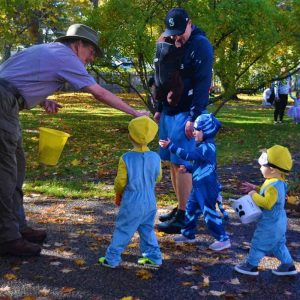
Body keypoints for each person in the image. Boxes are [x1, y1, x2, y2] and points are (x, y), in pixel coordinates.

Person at [0, 24, 148, 257]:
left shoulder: (50, 51)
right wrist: (135, 113)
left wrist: (41, 100)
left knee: (16, 169)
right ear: (78, 44)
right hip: (3, 105)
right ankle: (7, 238)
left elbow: (15, 78)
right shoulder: (65, 56)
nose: (90, 59)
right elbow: (99, 92)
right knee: (5, 174)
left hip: (8, 104)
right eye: (91, 52)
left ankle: (17, 227)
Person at [154, 8, 214, 233]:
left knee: (182, 164)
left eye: (180, 31)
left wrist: (194, 117)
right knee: (171, 160)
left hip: (186, 112)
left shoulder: (200, 45)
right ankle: (180, 208)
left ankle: (186, 215)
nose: (177, 36)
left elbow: (202, 83)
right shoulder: (171, 41)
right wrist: (160, 107)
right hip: (169, 110)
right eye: (173, 32)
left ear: (190, 23)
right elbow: (164, 76)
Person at [159, 114, 231, 251]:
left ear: (206, 131)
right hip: (199, 188)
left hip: (207, 189)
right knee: (190, 209)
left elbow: (187, 155)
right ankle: (188, 234)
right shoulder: (203, 146)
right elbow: (201, 166)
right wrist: (188, 168)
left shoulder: (207, 148)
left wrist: (171, 146)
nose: (194, 132)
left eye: (197, 130)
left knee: (209, 214)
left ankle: (223, 239)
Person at [98, 116, 162, 268]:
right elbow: (158, 177)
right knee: (147, 229)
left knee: (123, 229)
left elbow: (121, 182)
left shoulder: (126, 158)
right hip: (150, 199)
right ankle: (154, 257)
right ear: (152, 137)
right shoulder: (155, 157)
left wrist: (118, 192)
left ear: (130, 135)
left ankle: (111, 259)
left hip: (133, 200)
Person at [235, 145, 298, 276]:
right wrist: (256, 188)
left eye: (262, 166)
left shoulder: (273, 185)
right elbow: (270, 195)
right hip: (279, 222)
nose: (260, 168)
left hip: (270, 223)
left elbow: (268, 203)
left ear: (273, 169)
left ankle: (251, 266)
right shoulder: (276, 181)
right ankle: (288, 265)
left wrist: (253, 194)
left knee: (258, 243)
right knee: (278, 244)